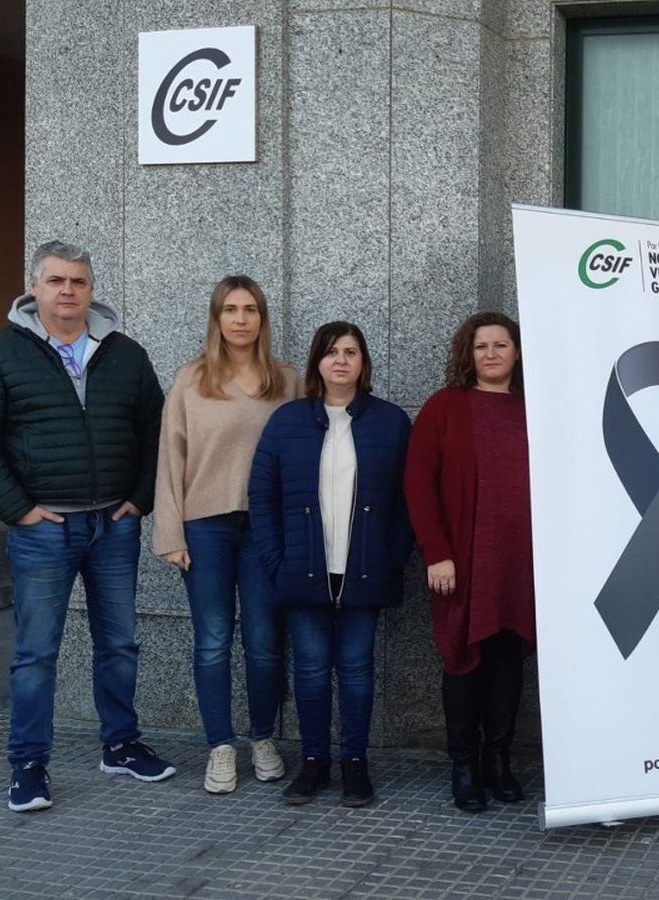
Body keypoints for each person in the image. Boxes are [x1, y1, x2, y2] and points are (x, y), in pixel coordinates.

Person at [0, 240, 175, 812]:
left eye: (78, 281)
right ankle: (28, 765)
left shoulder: (125, 353)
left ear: (92, 289)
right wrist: (20, 510)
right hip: (42, 529)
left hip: (114, 524)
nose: (68, 291)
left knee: (120, 643)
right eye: (56, 281)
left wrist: (139, 498)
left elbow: (156, 429)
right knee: (36, 652)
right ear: (34, 288)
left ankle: (121, 745)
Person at [248, 321, 412, 808]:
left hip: (363, 570)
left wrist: (391, 559)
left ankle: (355, 764)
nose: (341, 360)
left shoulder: (390, 421)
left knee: (357, 669)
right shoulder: (287, 421)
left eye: (351, 352)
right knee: (312, 670)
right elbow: (262, 495)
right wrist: (277, 563)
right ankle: (314, 762)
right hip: (303, 571)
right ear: (317, 361)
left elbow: (408, 502)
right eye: (331, 351)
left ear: (364, 364)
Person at [154, 276, 299, 794]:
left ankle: (262, 737)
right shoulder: (192, 380)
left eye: (250, 310)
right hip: (206, 526)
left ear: (263, 319)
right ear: (216, 319)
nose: (240, 319)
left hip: (265, 528)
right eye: (230, 310)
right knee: (213, 640)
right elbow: (171, 459)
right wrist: (171, 532)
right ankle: (220, 745)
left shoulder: (287, 381)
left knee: (263, 641)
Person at [404, 311, 535, 813]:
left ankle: (498, 762)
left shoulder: (535, 408)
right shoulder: (445, 407)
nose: (492, 354)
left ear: (517, 353)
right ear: (468, 354)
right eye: (481, 346)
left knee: (506, 660)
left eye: (501, 345)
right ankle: (464, 767)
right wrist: (437, 553)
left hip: (519, 563)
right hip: (462, 561)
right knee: (463, 660)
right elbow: (419, 485)